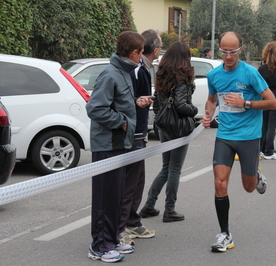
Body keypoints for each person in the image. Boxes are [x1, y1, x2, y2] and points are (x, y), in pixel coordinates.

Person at [201, 31, 276, 252]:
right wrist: (208, 114)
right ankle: (225, 234)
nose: (227, 56)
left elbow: (272, 102)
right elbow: (211, 99)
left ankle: (255, 172)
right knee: (219, 182)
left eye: (232, 52)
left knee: (248, 187)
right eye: (224, 51)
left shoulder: (250, 73)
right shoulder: (214, 75)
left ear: (240, 51)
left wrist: (246, 104)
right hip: (225, 135)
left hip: (249, 136)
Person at [86, 31, 149, 263]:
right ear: (134, 53)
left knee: (117, 195)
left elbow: (117, 102)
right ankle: (99, 246)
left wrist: (135, 103)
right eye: (141, 52)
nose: (142, 57)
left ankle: (112, 239)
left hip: (120, 144)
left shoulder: (124, 73)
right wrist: (122, 122)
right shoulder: (110, 74)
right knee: (105, 197)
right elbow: (95, 109)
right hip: (107, 145)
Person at [139, 41, 198, 223]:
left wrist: (163, 119)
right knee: (175, 169)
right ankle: (169, 210)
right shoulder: (183, 77)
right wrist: (194, 110)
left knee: (166, 167)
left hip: (164, 125)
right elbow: (181, 105)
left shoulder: (162, 74)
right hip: (179, 127)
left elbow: (157, 103)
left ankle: (149, 205)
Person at [119, 29, 162, 244]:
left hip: (139, 131)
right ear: (154, 49)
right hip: (133, 133)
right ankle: (125, 225)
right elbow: (129, 99)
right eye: (160, 47)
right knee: (131, 181)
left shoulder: (144, 68)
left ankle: (132, 221)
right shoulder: (137, 70)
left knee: (137, 180)